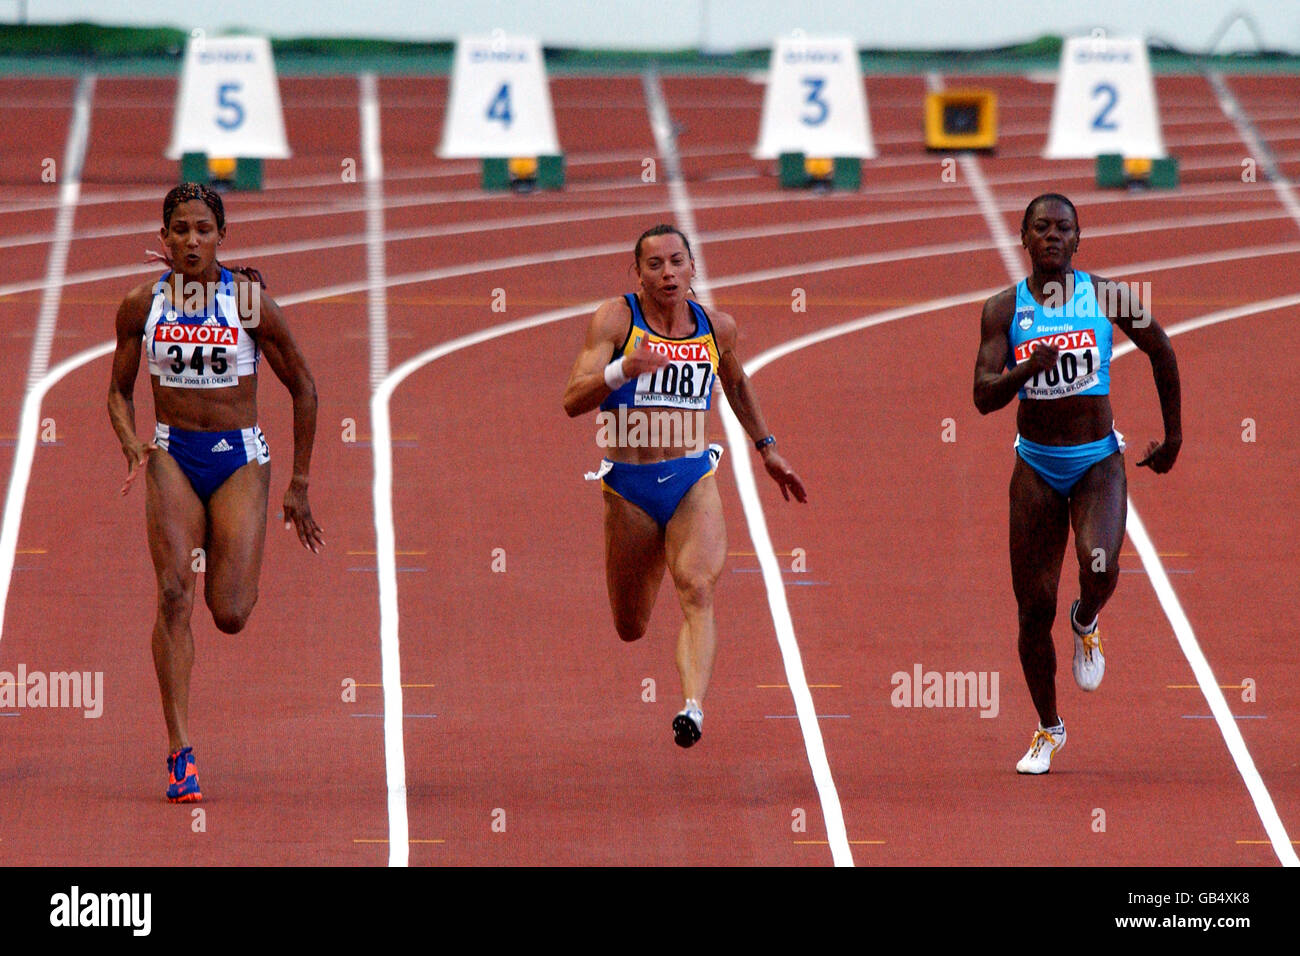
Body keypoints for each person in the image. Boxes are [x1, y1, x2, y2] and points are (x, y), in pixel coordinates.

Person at [107, 182, 323, 802]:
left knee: (228, 613)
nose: (191, 240)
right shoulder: (141, 305)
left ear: (221, 236)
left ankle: (231, 558)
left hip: (238, 459)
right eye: (179, 229)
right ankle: (180, 753)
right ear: (164, 238)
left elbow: (304, 387)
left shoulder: (249, 304)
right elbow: (118, 390)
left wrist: (299, 483)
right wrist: (131, 442)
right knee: (174, 591)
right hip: (172, 453)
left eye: (203, 229)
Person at [563, 224, 806, 748]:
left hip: (693, 477)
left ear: (693, 267)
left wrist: (768, 450)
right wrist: (623, 368)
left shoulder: (716, 328)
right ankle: (647, 590)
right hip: (628, 486)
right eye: (655, 264)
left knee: (697, 589)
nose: (667, 272)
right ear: (639, 274)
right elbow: (571, 399)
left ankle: (692, 708)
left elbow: (736, 382)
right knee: (631, 625)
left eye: (677, 261)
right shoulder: (616, 318)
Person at [973, 193, 1181, 774]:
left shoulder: (1108, 295)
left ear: (1078, 239)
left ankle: (1087, 619)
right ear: (1024, 238)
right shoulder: (1001, 309)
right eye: (1041, 228)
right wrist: (1024, 371)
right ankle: (1048, 727)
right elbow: (983, 396)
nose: (1053, 237)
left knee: (1099, 566)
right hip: (1036, 466)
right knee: (1032, 609)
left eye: (1064, 227)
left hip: (1096, 462)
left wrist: (1174, 437)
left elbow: (1161, 350)